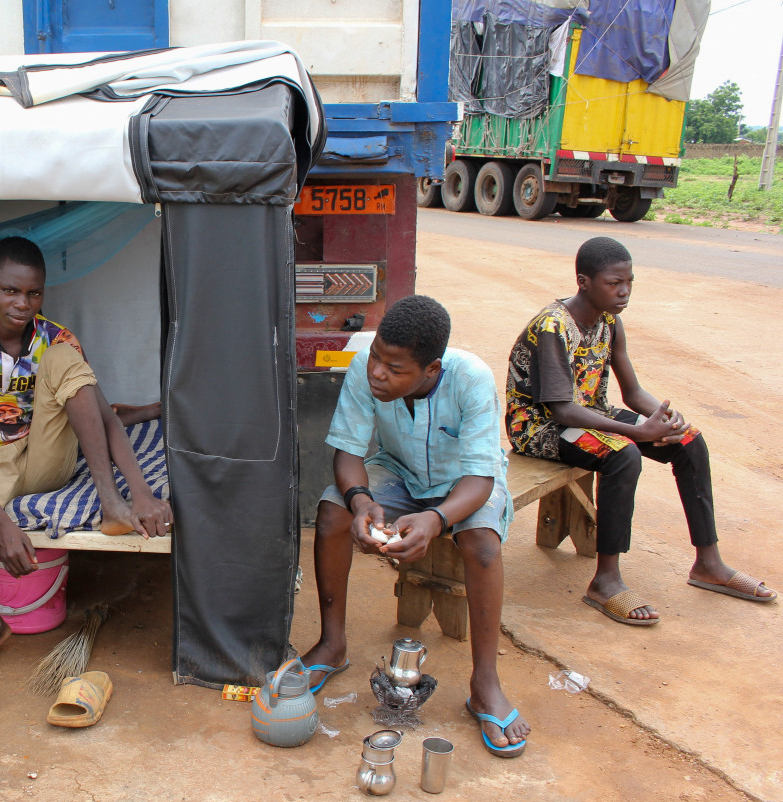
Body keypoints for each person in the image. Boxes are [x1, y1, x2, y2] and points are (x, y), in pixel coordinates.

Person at [0, 236, 172, 712]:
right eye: (11, 291)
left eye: (33, 294)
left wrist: (137, 492)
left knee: (64, 357)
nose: (22, 304)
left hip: (45, 454)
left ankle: (109, 502)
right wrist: (1, 523)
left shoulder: (56, 339)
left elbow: (105, 417)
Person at [506, 236, 775, 626]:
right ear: (584, 281)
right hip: (540, 427)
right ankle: (606, 580)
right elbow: (562, 408)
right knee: (623, 454)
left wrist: (664, 419)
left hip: (589, 415)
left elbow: (631, 392)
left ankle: (708, 562)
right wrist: (637, 434)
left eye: (630, 281)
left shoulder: (610, 322)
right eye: (614, 283)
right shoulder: (553, 326)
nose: (624, 291)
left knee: (689, 440)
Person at [302, 295, 529, 758]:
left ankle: (485, 684)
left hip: (464, 483)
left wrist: (437, 517)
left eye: (396, 368)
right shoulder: (368, 367)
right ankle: (331, 645)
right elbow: (347, 452)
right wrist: (361, 500)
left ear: (431, 369)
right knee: (332, 514)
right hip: (399, 471)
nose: (378, 374)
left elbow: (482, 477)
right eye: (378, 360)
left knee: (482, 544)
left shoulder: (471, 380)